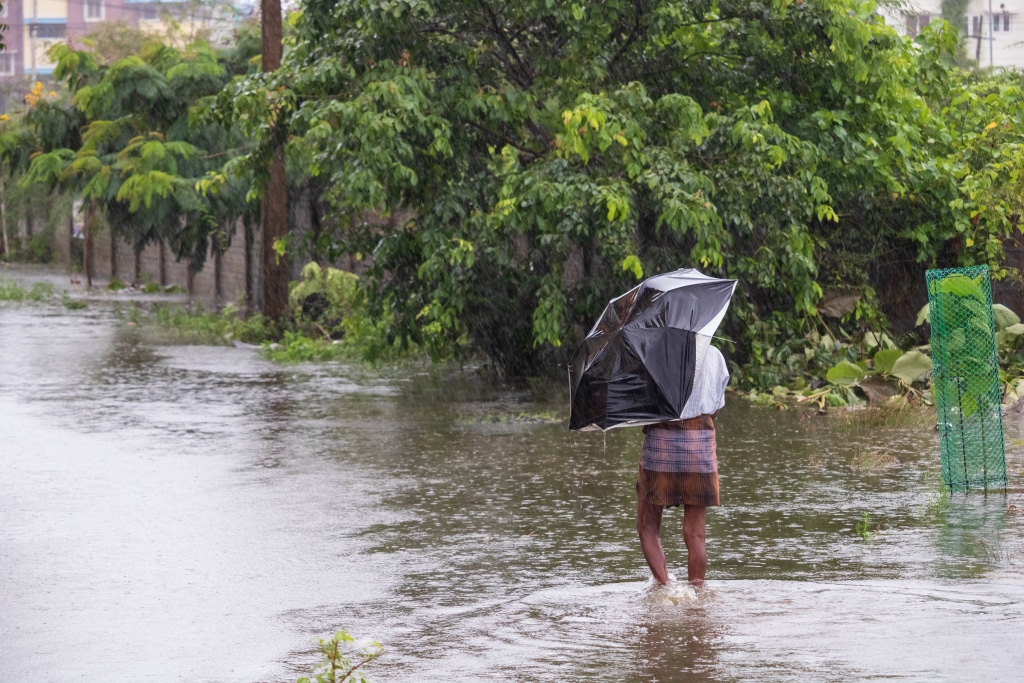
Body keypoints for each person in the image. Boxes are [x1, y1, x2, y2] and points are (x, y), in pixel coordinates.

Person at [636, 344, 729, 587]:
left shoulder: (654, 353)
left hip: (661, 442)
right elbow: (716, 407)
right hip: (700, 444)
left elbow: (641, 404)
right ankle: (696, 597)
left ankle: (665, 587)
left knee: (647, 525)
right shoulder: (715, 355)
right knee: (695, 534)